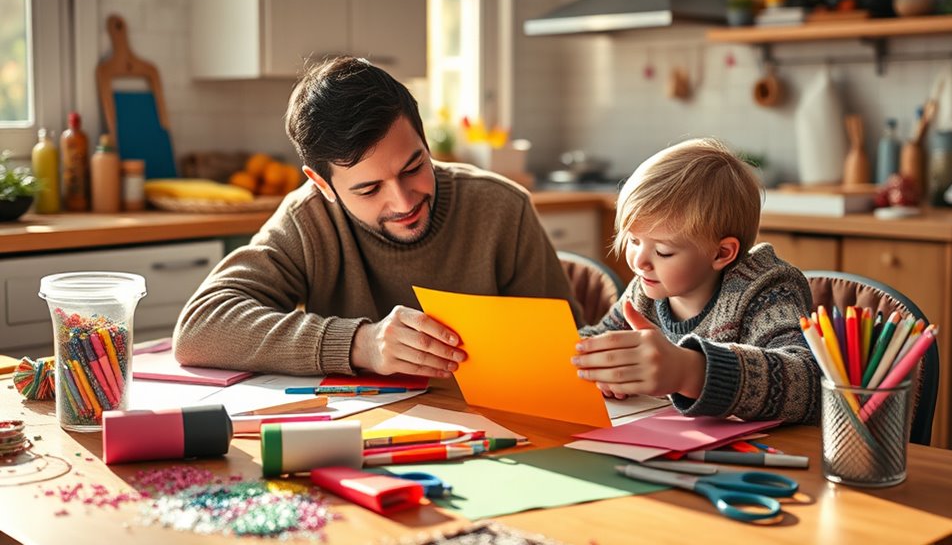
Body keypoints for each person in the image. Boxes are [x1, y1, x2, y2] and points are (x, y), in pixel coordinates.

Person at [174, 57, 577, 377]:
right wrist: (361, 344)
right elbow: (199, 328)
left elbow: (567, 352)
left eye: (414, 167)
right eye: (369, 189)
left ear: (425, 141)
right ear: (322, 184)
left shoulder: (503, 207)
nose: (403, 201)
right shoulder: (308, 220)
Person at [572, 138, 820, 424]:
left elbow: (809, 381)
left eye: (663, 251)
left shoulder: (766, 289)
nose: (639, 261)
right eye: (633, 240)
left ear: (721, 253)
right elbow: (596, 340)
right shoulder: (645, 288)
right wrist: (598, 365)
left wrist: (691, 371)